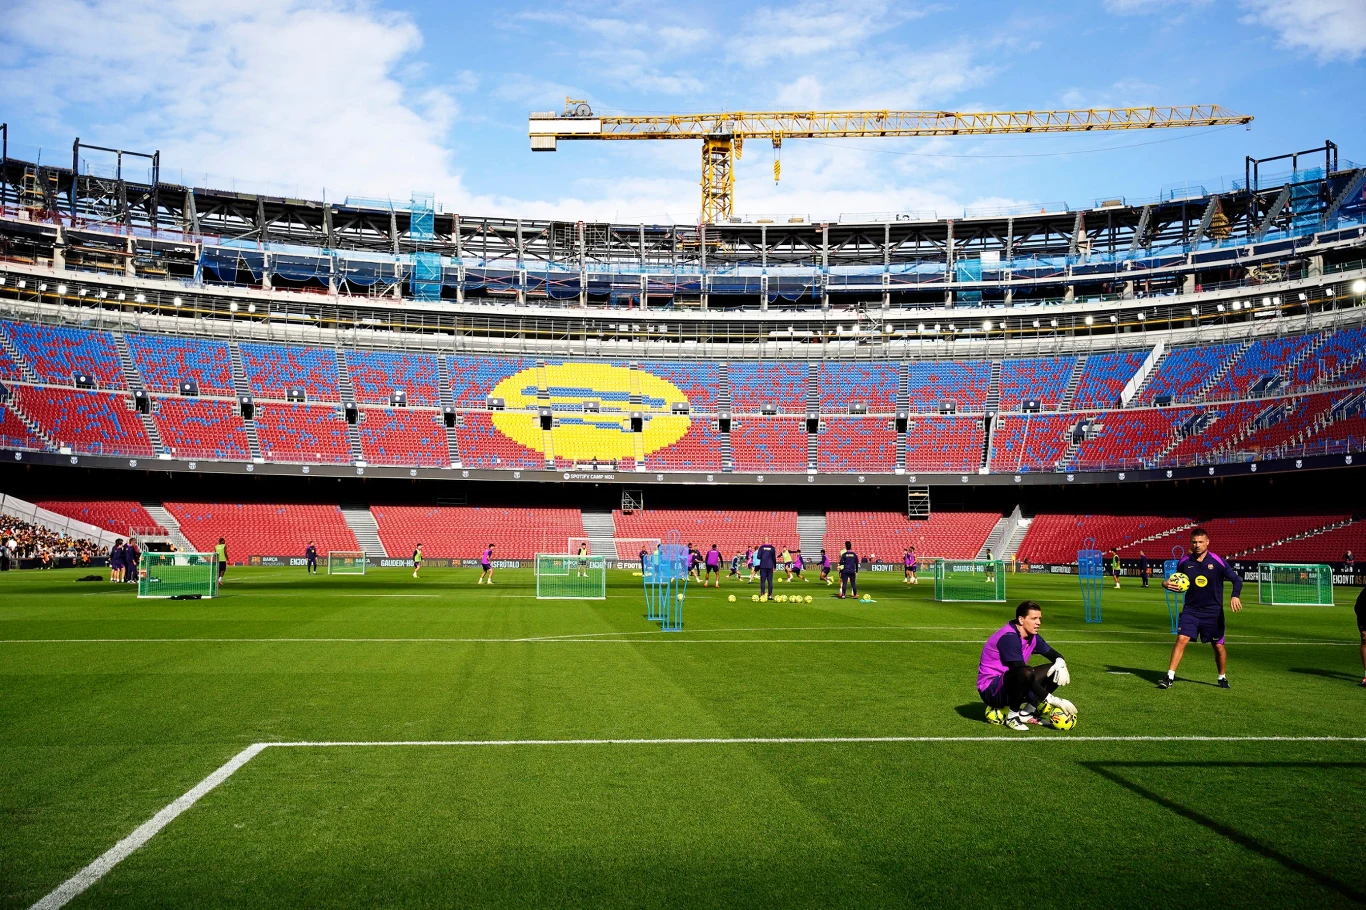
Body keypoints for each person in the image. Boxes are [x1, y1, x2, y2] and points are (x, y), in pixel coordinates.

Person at [1159, 527, 1243, 689]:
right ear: (1190, 543)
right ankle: (1169, 677)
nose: (1197, 545)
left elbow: (1236, 580)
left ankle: (1222, 677)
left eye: (1200, 542)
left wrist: (1235, 595)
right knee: (1182, 639)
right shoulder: (1184, 562)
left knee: (1218, 646)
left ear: (1207, 542)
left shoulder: (1217, 561)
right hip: (1191, 610)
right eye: (1194, 542)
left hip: (1213, 612)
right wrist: (1165, 584)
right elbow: (1175, 581)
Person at [977, 601, 1076, 731]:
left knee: (1055, 669)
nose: (1038, 622)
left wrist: (1061, 662)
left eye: (1039, 618)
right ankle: (1012, 716)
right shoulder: (1009, 637)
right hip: (991, 690)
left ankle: (1026, 713)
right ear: (1021, 619)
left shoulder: (1033, 636)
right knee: (1025, 672)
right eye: (1034, 618)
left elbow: (1053, 654)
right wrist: (1053, 700)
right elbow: (1020, 672)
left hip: (1012, 684)